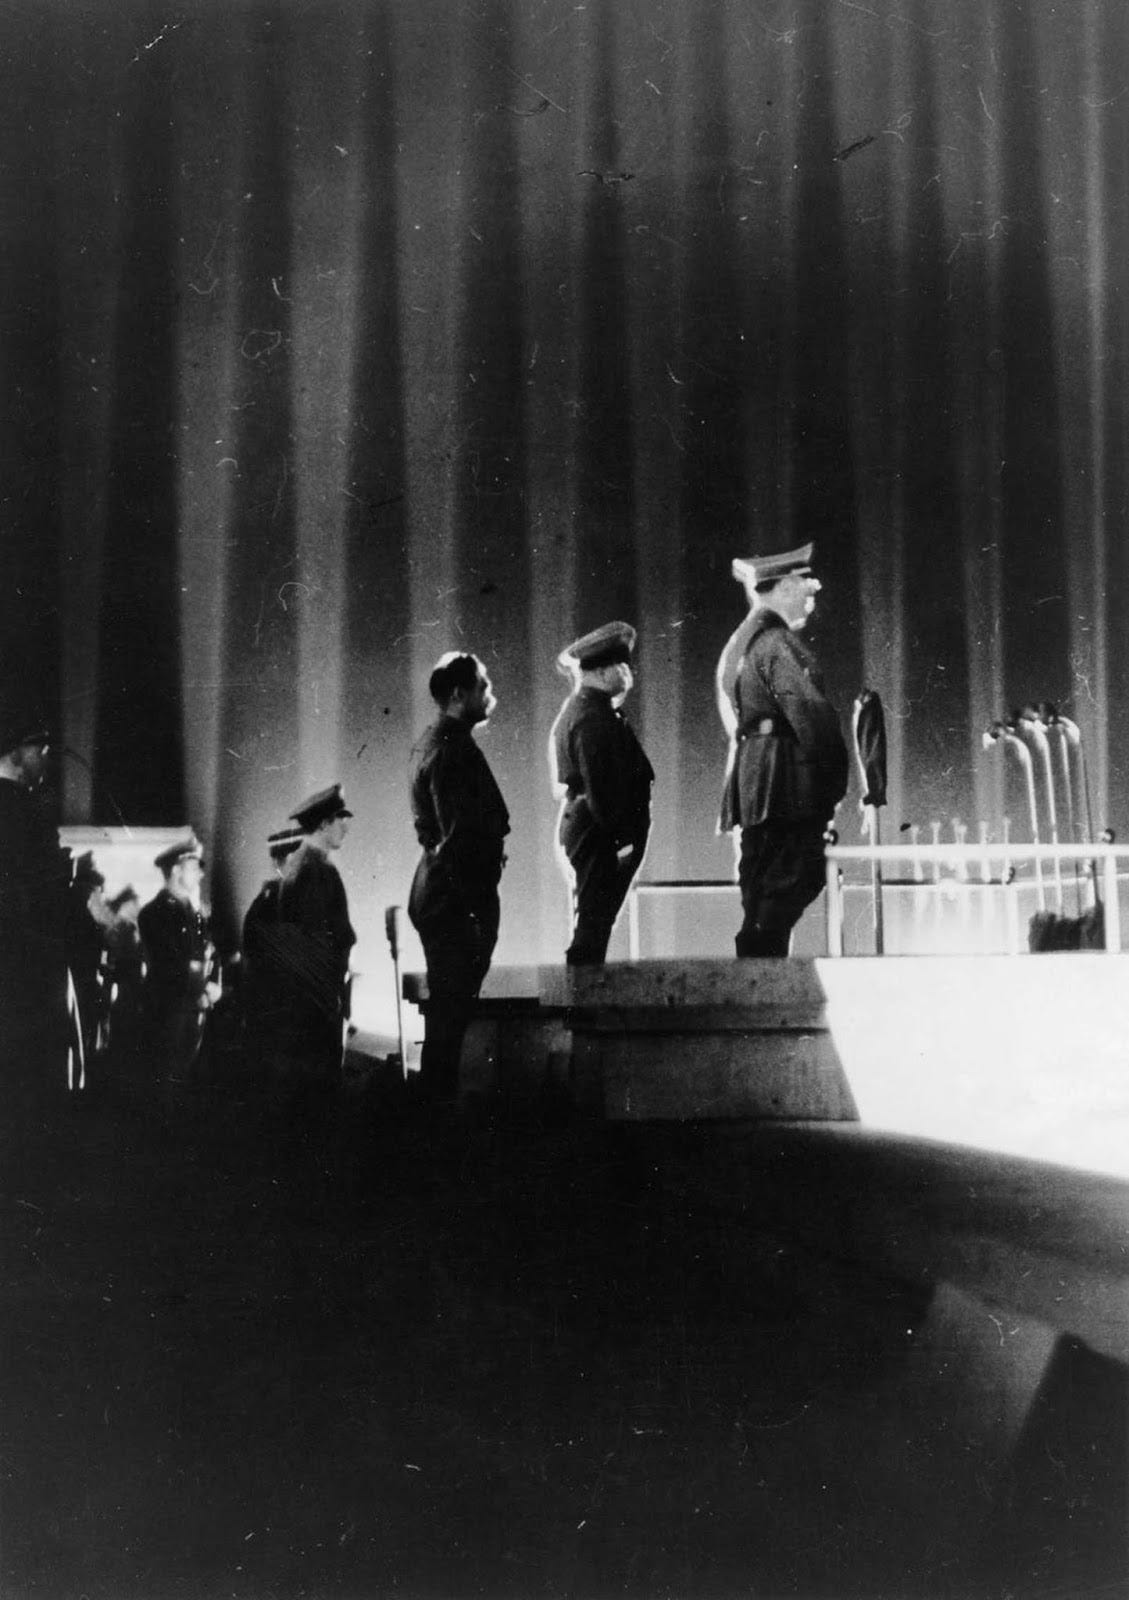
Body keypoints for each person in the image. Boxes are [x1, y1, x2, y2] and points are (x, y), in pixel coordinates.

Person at [716, 542, 848, 957]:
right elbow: (812, 717)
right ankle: (762, 977)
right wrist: (831, 783)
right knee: (793, 875)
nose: (813, 591)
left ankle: (757, 973)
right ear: (785, 586)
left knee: (761, 886)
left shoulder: (741, 642)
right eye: (806, 583)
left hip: (756, 780)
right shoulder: (778, 644)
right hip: (786, 782)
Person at [408, 652, 510, 1101]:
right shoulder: (451, 751)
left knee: (446, 1025)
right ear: (458, 695)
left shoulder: (438, 742)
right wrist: (474, 909)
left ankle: (434, 1126)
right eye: (482, 687)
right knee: (449, 1026)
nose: (490, 695)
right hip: (456, 906)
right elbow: (458, 839)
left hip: (445, 901)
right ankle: (435, 1134)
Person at [550, 621, 654, 965]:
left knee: (595, 919)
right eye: (621, 667)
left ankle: (583, 995)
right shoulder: (593, 717)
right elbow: (602, 789)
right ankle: (581, 1001)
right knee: (594, 923)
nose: (628, 674)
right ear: (602, 670)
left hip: (592, 829)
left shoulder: (592, 710)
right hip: (599, 834)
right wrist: (623, 840)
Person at [0, 708, 71, 1092]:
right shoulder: (26, 811)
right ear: (13, 754)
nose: (45, 756)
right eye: (38, 749)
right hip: (27, 960)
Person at [274, 785, 356, 1083]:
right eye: (340, 820)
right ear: (323, 824)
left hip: (304, 1003)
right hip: (317, 1006)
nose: (345, 828)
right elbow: (318, 943)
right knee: (319, 1091)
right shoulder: (317, 871)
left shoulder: (297, 867)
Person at [137, 835, 221, 1088]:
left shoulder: (191, 913)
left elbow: (202, 955)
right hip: (170, 1010)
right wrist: (204, 988)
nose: (201, 875)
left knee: (185, 1077)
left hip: (192, 1006)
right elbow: (171, 964)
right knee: (167, 1080)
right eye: (195, 868)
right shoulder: (156, 913)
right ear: (176, 870)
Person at [64, 851, 111, 1073]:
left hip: (76, 973)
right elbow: (103, 934)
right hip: (86, 976)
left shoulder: (69, 899)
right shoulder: (88, 901)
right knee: (86, 1028)